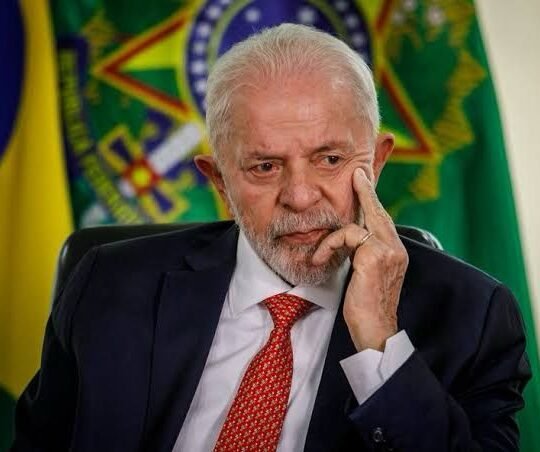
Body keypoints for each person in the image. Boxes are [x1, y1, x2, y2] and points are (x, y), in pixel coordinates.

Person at [12, 24, 530, 452]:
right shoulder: (108, 283)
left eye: (330, 159)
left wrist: (379, 342)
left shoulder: (473, 316)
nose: (300, 197)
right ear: (220, 182)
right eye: (264, 166)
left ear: (376, 161)